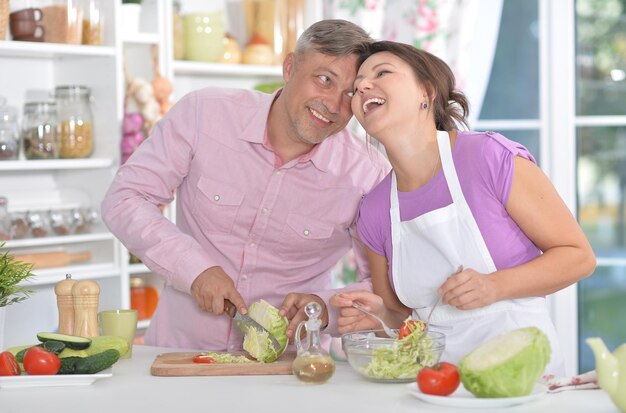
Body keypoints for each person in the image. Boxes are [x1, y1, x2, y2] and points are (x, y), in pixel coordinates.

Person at [101, 20, 390, 351]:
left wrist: (324, 309)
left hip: (290, 368)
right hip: (179, 355)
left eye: (350, 94)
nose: (334, 105)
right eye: (324, 80)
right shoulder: (203, 114)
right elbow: (125, 198)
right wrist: (194, 269)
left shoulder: (368, 174)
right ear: (290, 67)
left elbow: (383, 287)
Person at [330, 41, 596, 375]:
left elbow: (578, 256)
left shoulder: (488, 158)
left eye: (382, 73)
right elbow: (402, 317)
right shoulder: (374, 210)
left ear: (426, 91)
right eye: (355, 89)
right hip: (432, 383)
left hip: (521, 377)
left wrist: (494, 286)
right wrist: (379, 315)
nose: (363, 87)